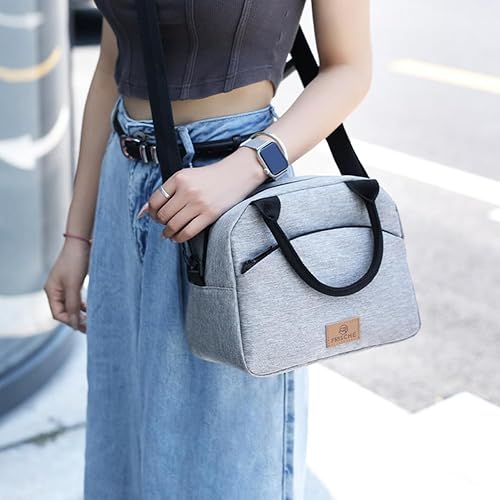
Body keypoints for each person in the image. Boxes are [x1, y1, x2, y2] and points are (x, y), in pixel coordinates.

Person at [43, 0, 372, 498]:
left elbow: (349, 69)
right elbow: (112, 66)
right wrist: (77, 236)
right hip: (122, 182)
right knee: (122, 446)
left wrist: (243, 169)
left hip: (233, 193)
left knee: (229, 464)